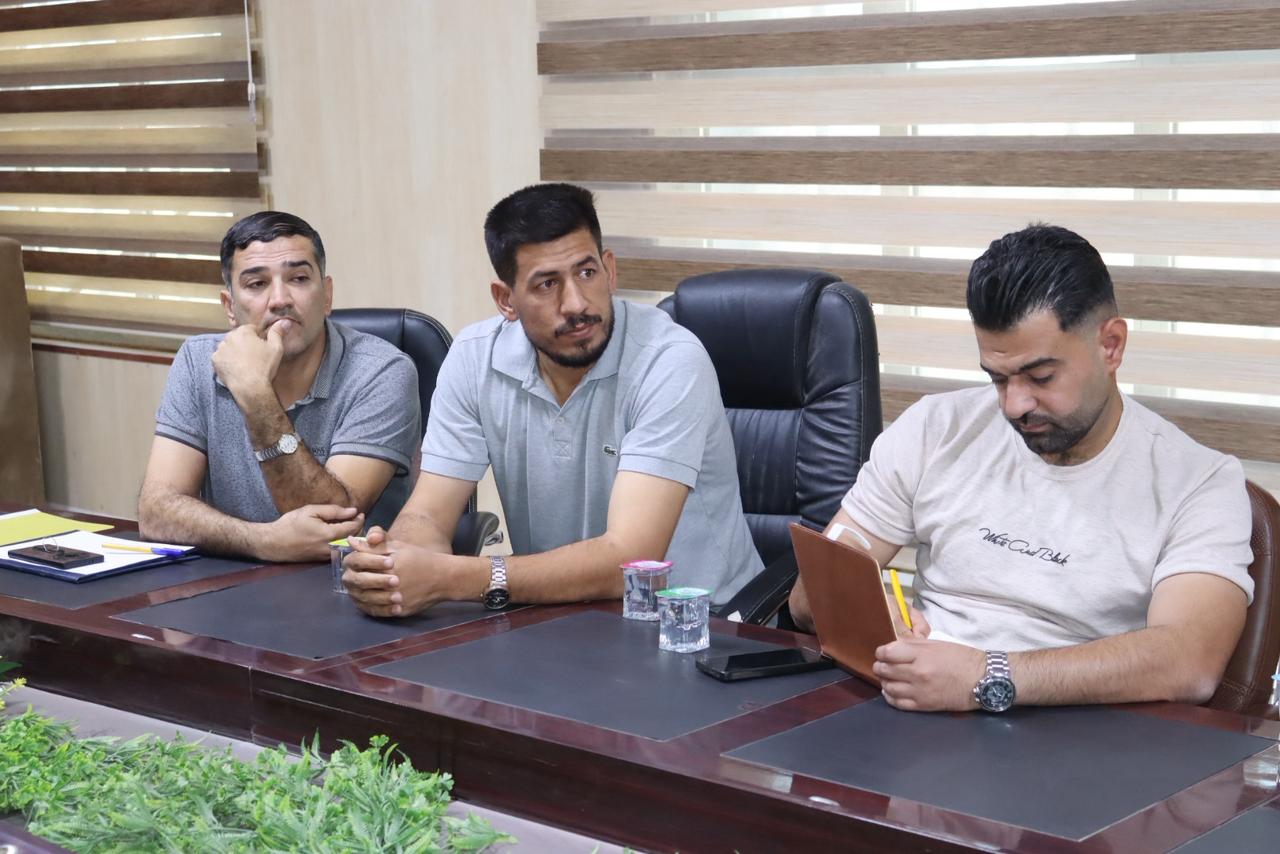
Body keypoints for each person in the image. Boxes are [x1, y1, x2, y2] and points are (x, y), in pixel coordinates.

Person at [789, 224, 1254, 713]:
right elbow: (807, 595)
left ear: (1111, 345)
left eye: (1041, 377)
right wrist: (860, 608)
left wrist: (986, 676)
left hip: (1074, 729)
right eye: (997, 378)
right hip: (916, 710)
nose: (1014, 405)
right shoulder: (936, 428)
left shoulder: (1199, 482)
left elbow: (1189, 660)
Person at [342, 182, 762, 616]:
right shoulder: (473, 358)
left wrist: (453, 578)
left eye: (587, 273)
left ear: (610, 270)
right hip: (556, 615)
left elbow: (630, 561)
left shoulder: (669, 361)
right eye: (547, 284)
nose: (576, 304)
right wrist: (394, 567)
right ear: (506, 300)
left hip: (701, 624)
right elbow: (429, 514)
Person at [138, 211, 420, 562]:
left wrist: (256, 395)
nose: (280, 299)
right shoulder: (199, 361)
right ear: (229, 307)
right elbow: (156, 511)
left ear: (327, 296)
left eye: (298, 278)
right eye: (257, 284)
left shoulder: (381, 371)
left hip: (345, 583)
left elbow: (330, 525)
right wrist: (263, 541)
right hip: (227, 579)